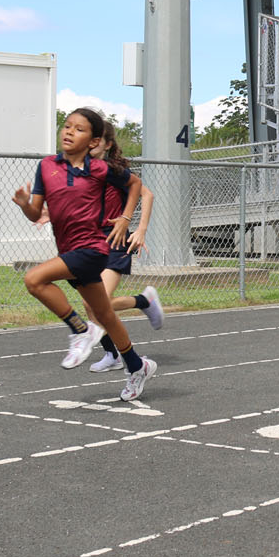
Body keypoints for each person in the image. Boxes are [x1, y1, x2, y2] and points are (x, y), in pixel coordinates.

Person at [12, 107, 156, 401]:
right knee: (105, 314)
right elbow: (35, 213)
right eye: (67, 126)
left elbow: (136, 186)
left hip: (93, 248)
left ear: (93, 142)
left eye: (79, 129)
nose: (69, 132)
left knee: (34, 280)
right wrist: (25, 204)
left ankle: (80, 330)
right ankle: (136, 365)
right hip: (68, 249)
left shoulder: (99, 169)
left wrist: (127, 220)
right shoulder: (46, 166)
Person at [85, 121, 165, 373]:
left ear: (108, 144)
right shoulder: (81, 169)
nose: (91, 143)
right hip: (90, 241)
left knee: (101, 302)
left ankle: (144, 300)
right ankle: (112, 354)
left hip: (115, 240)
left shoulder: (113, 171)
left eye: (97, 139)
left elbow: (147, 195)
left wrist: (140, 230)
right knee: (90, 306)